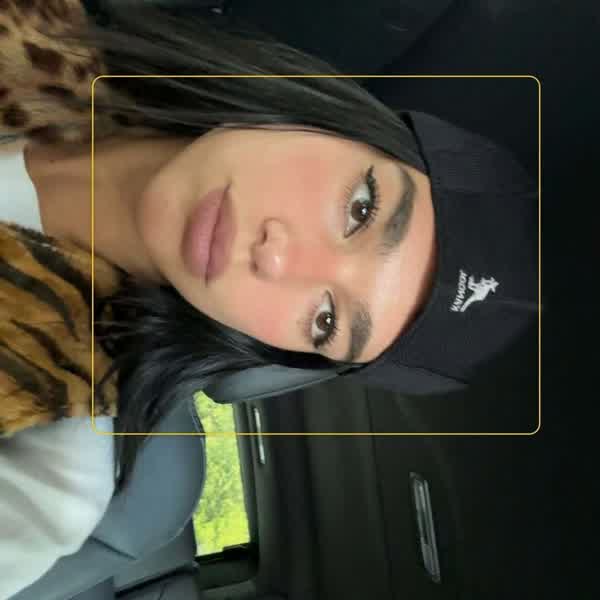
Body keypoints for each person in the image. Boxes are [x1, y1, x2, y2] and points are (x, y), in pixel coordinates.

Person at [0, 3, 538, 597]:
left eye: (326, 319)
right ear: (336, 120)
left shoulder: (51, 477)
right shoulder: (48, 24)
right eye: (361, 209)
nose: (276, 258)